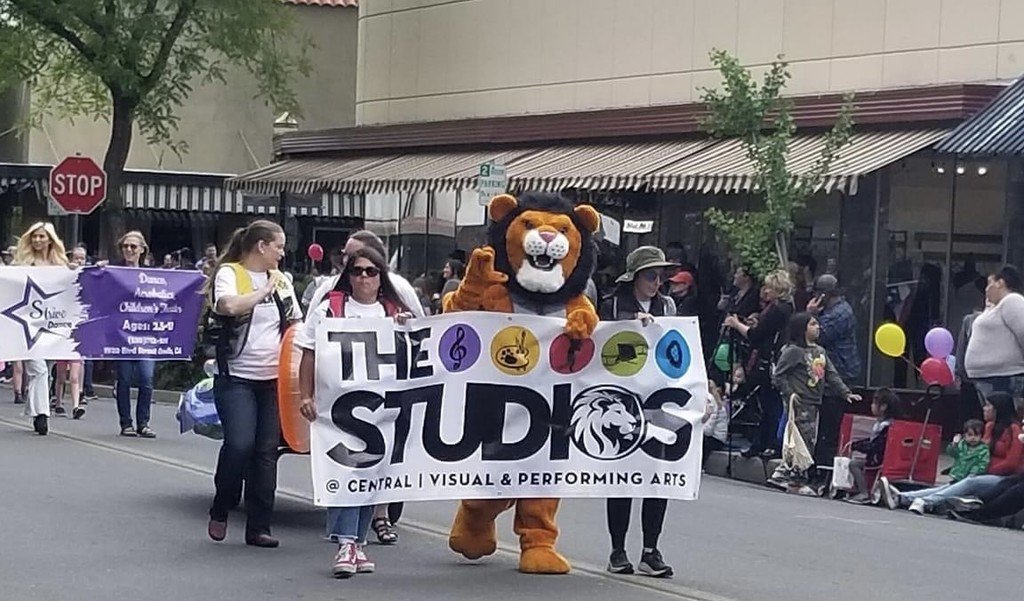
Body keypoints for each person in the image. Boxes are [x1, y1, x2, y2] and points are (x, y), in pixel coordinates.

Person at [296, 247, 414, 577]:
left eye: (371, 271)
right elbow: (308, 352)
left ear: (382, 277)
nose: (363, 277)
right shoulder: (329, 309)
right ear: (348, 276)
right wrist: (305, 395)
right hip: (339, 407)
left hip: (381, 409)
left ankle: (357, 542)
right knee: (344, 471)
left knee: (372, 474)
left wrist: (406, 330)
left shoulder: (393, 311)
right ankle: (345, 542)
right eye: (357, 271)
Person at [207, 220, 302, 548]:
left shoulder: (284, 281)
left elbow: (296, 326)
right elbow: (227, 305)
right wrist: (263, 291)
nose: (282, 252)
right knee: (239, 444)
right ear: (261, 246)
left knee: (266, 452)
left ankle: (259, 525)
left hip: (273, 379)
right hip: (236, 377)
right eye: (278, 246)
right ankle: (222, 505)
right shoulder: (231, 273)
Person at [600, 245, 677, 578]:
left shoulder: (669, 307)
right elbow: (598, 350)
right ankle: (618, 549)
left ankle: (650, 549)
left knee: (656, 478)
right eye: (650, 275)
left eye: (661, 276)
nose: (656, 282)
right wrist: (631, 327)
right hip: (621, 400)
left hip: (657, 400)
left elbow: (680, 349)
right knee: (623, 478)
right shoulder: (612, 305)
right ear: (634, 278)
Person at [877, 393, 1022, 513]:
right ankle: (902, 497)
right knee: (951, 485)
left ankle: (925, 501)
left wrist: (985, 472)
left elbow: (1012, 463)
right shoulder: (989, 427)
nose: (985, 409)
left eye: (988, 406)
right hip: (980, 471)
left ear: (999, 409)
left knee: (971, 482)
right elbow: (978, 452)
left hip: (1002, 478)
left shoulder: (1014, 430)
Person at [770, 312, 861, 493]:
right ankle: (785, 474)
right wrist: (790, 394)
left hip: (814, 401)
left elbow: (831, 374)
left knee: (808, 440)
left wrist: (845, 392)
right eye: (812, 324)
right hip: (798, 402)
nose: (817, 327)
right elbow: (778, 376)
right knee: (801, 440)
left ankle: (794, 477)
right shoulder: (793, 351)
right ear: (802, 328)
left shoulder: (820, 352)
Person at [723, 270, 795, 459]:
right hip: (769, 357)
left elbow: (756, 335)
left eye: (769, 287)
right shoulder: (782, 307)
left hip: (770, 360)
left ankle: (772, 443)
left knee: (771, 404)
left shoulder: (779, 309)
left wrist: (737, 324)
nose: (765, 291)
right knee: (767, 403)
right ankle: (761, 443)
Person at [14, 222, 70, 435]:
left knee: (44, 370)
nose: (37, 240)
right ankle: (42, 415)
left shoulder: (60, 265)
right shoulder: (22, 265)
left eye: (42, 237)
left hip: (52, 325)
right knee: (39, 369)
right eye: (34, 236)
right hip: (25, 325)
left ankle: (34, 409)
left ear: (50, 240)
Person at [104, 232, 159, 437]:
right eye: (125, 246)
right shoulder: (113, 271)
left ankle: (143, 423)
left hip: (146, 336)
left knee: (146, 379)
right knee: (124, 380)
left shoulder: (152, 275)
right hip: (122, 335)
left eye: (133, 247)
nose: (128, 250)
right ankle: (126, 423)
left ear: (142, 250)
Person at [964, 265, 1024, 408]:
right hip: (990, 377)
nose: (986, 289)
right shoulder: (995, 307)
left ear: (1000, 283)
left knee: (1003, 420)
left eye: (989, 284)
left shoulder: (1012, 301)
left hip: (1003, 377)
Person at [844, 388, 900, 503]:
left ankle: (864, 493)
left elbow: (874, 446)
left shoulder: (885, 427)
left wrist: (856, 446)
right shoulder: (883, 425)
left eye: (874, 403)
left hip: (877, 460)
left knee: (853, 464)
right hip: (877, 457)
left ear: (883, 407)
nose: (871, 406)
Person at [806, 274, 860, 383]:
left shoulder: (839, 315)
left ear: (823, 295)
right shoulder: (830, 310)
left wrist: (810, 314)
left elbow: (816, 336)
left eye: (816, 293)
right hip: (837, 370)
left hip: (842, 372)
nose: (813, 296)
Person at [703, 380, 729, 465]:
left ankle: (700, 465)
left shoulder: (716, 405)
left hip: (717, 439)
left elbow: (708, 431)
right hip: (709, 435)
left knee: (702, 442)